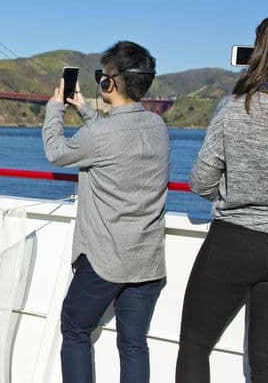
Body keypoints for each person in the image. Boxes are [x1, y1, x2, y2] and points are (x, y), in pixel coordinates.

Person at [175, 15, 268, 383]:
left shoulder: (233, 108)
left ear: (260, 55)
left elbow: (200, 181)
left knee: (195, 345)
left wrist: (234, 188)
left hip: (235, 243)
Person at [42, 41, 169, 383]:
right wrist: (85, 110)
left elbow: (57, 152)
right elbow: (115, 137)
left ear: (109, 83)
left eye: (103, 76)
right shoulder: (159, 128)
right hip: (148, 262)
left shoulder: (98, 134)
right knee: (133, 345)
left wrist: (55, 108)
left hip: (104, 262)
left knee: (75, 329)